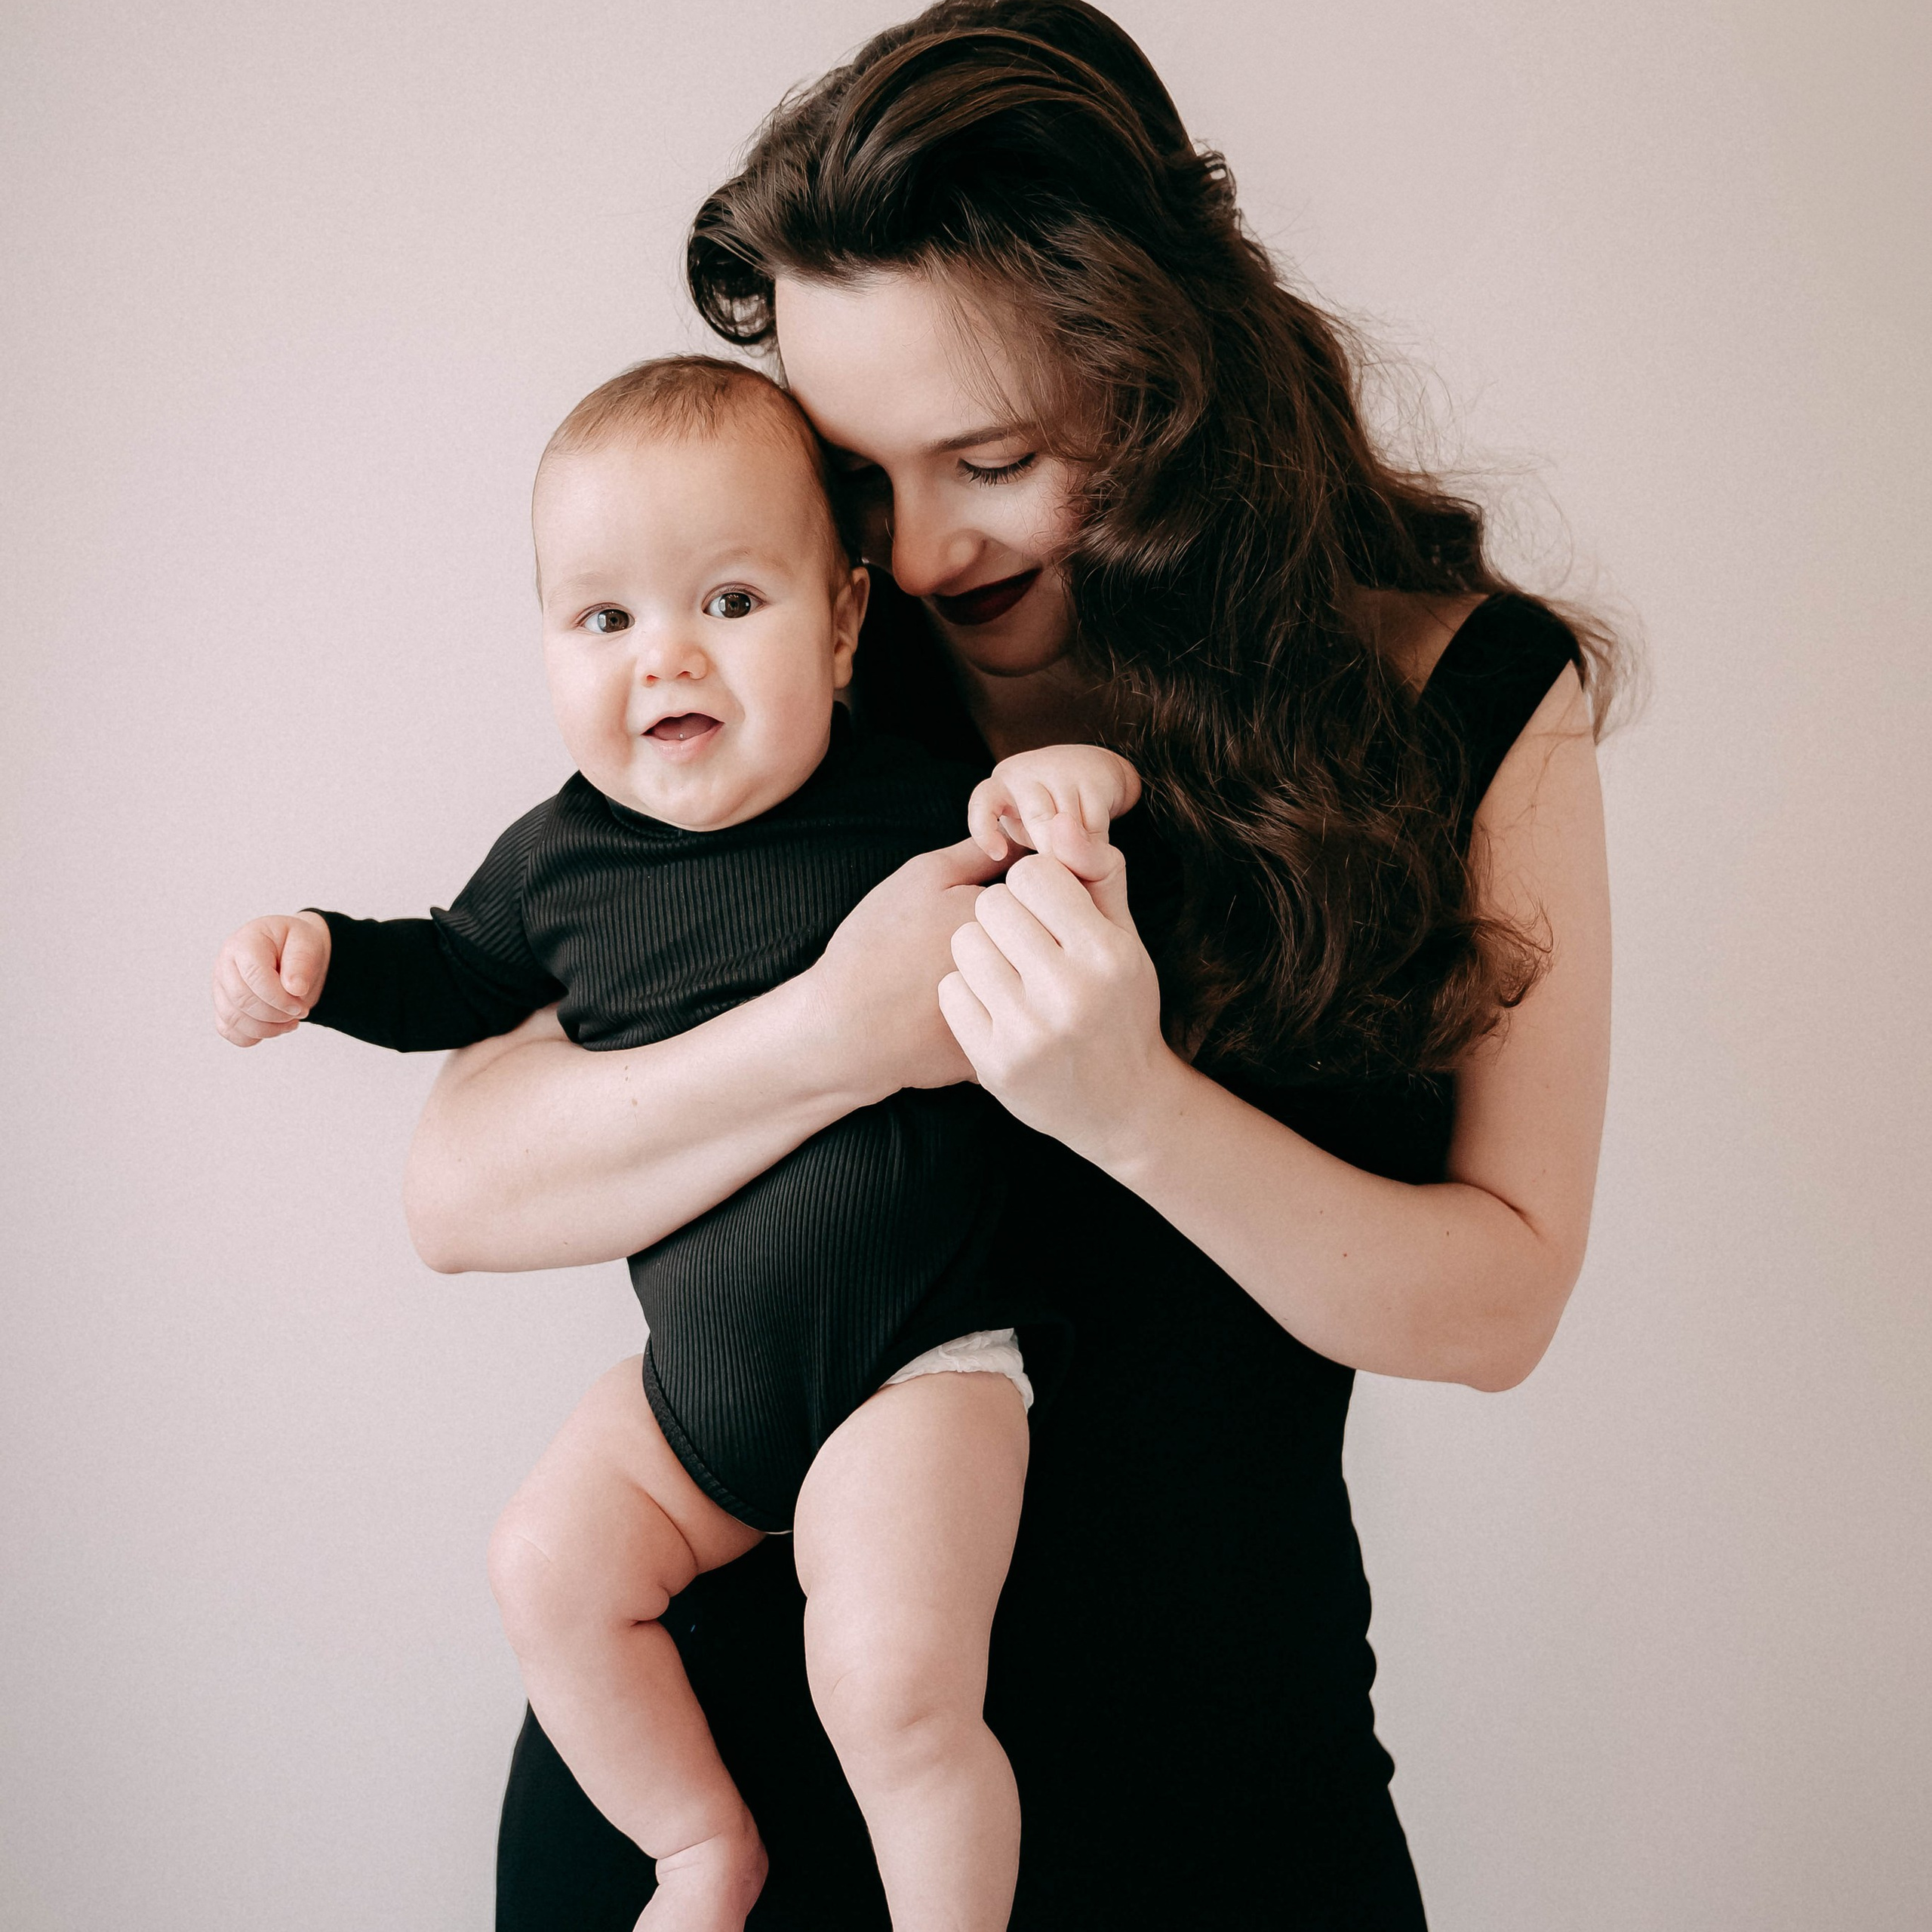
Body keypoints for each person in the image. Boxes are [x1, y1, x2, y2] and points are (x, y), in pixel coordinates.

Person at [410, 3, 1616, 1926]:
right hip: (745, 1803)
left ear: (1162, 373)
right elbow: (459, 1185)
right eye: (857, 474)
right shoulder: (794, 660)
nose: (921, 544)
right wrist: (837, 1028)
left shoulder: (1455, 693)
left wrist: (1135, 1108)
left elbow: (1496, 1300)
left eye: (986, 455)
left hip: (1222, 1794)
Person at [210, 354, 1140, 1932]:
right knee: (545, 1562)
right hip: (697, 1397)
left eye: (727, 602)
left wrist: (1078, 780)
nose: (664, 660)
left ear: (844, 624)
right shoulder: (559, 862)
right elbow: (445, 970)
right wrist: (314, 957)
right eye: (604, 620)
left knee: (891, 1677)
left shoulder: (906, 803)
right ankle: (699, 1845)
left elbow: (1067, 810)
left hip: (918, 1369)